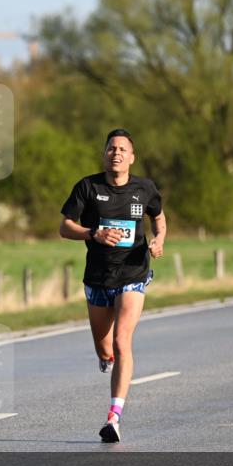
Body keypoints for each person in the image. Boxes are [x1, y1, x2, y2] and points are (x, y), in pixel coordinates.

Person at [59, 129, 166, 443]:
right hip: (97, 278)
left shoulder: (144, 188)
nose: (116, 153)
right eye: (110, 148)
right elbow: (64, 227)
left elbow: (159, 217)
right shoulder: (88, 187)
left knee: (122, 341)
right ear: (104, 154)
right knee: (105, 349)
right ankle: (105, 360)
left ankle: (113, 418)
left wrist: (159, 240)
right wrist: (93, 234)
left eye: (122, 149)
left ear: (131, 157)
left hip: (133, 273)